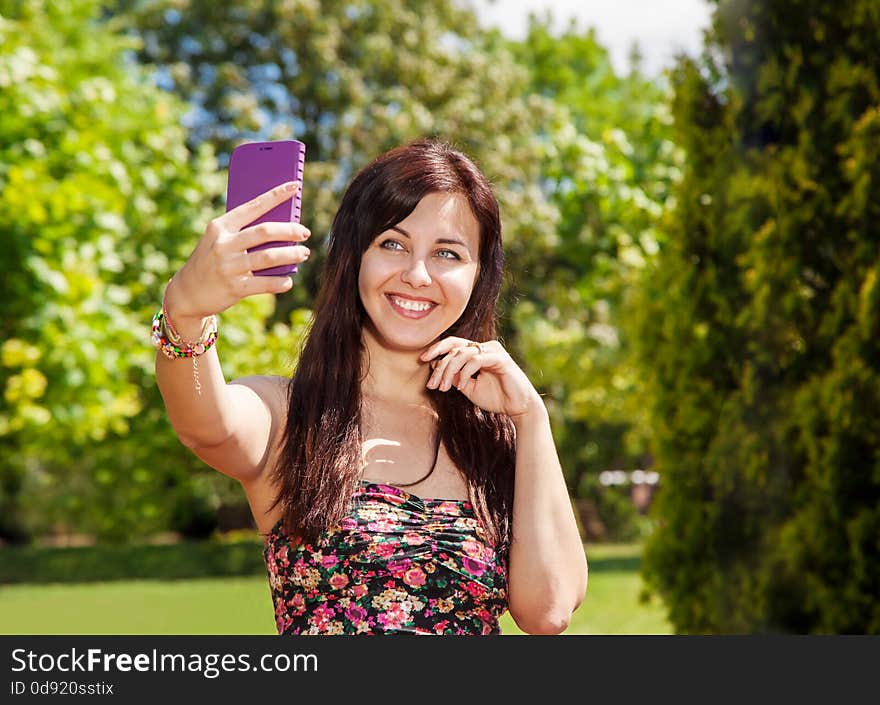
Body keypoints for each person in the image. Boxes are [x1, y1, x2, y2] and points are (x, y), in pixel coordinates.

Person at [155, 139, 588, 635]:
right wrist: (185, 316)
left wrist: (531, 420)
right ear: (353, 258)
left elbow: (549, 613)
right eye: (392, 244)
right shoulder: (290, 414)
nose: (417, 275)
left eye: (447, 253)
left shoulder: (498, 438)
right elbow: (205, 425)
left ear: (477, 277)